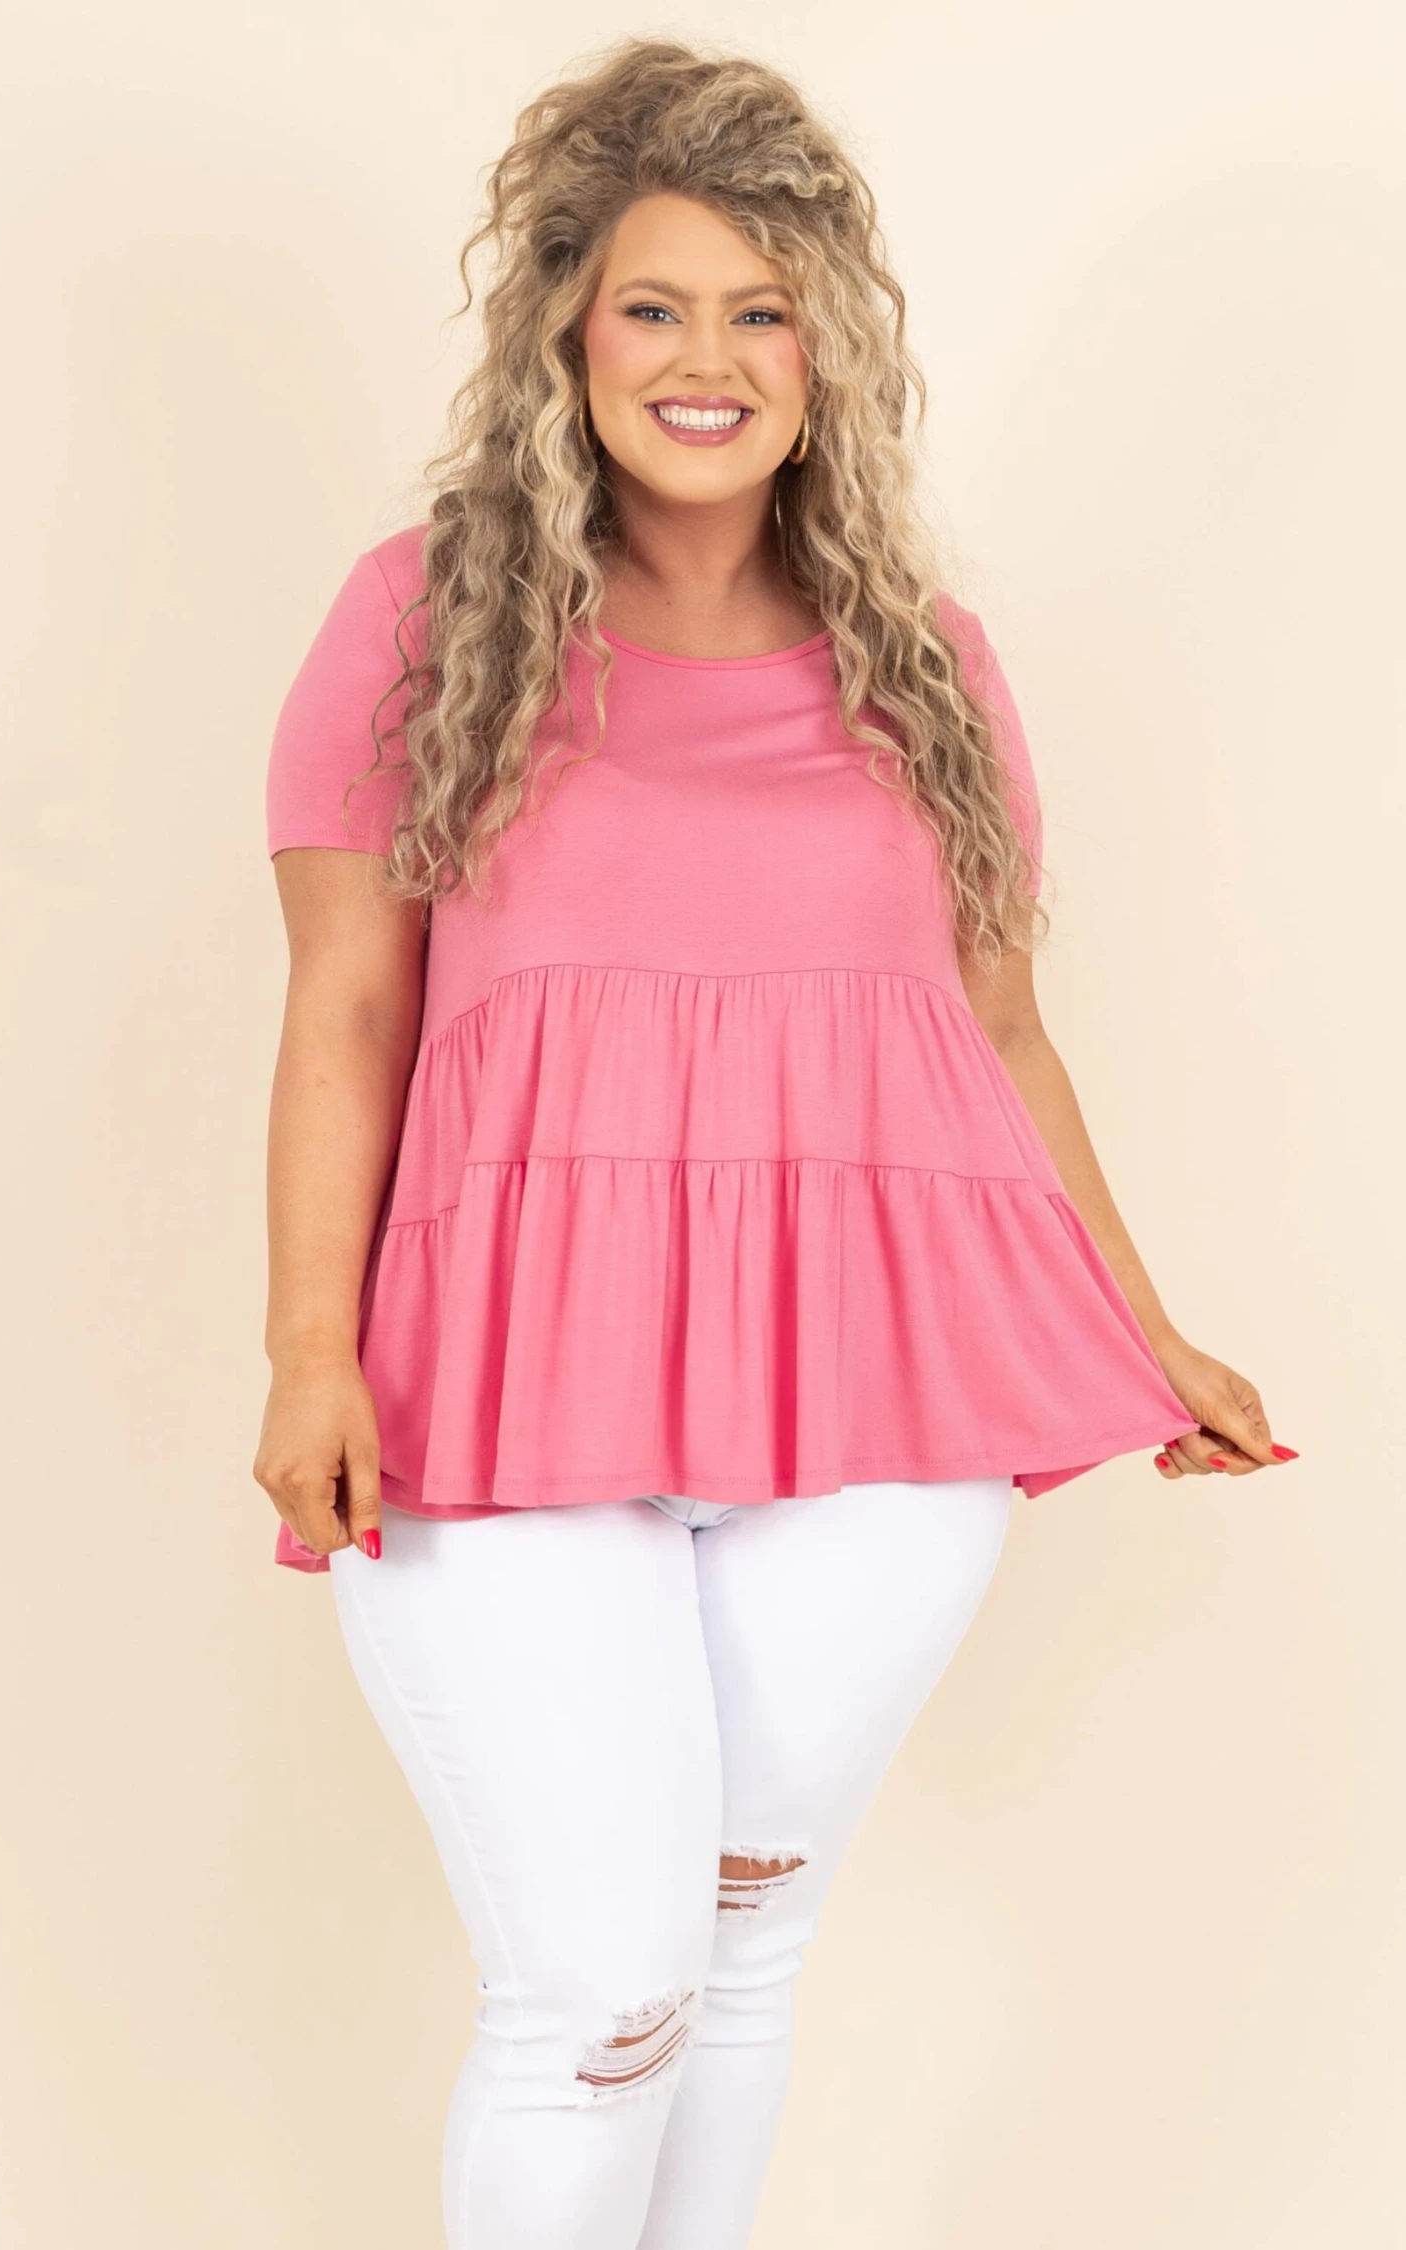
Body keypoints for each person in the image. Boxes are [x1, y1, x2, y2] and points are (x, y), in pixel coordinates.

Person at [251, 37, 1296, 2250]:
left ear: (827, 351)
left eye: (762, 309)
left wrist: (1149, 1328)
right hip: (506, 1387)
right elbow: (346, 1008)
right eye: (654, 305)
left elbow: (998, 1033)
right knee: (598, 1993)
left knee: (738, 1965)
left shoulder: (931, 665)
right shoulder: (420, 623)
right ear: (568, 332)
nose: (707, 360)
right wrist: (308, 1352)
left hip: (881, 1418)